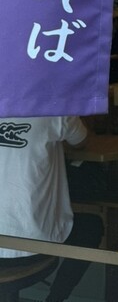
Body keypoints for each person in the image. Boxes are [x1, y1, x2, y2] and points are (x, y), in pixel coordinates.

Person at [0, 116, 104, 301]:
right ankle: (55, 299)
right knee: (91, 227)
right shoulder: (53, 107)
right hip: (30, 250)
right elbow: (81, 141)